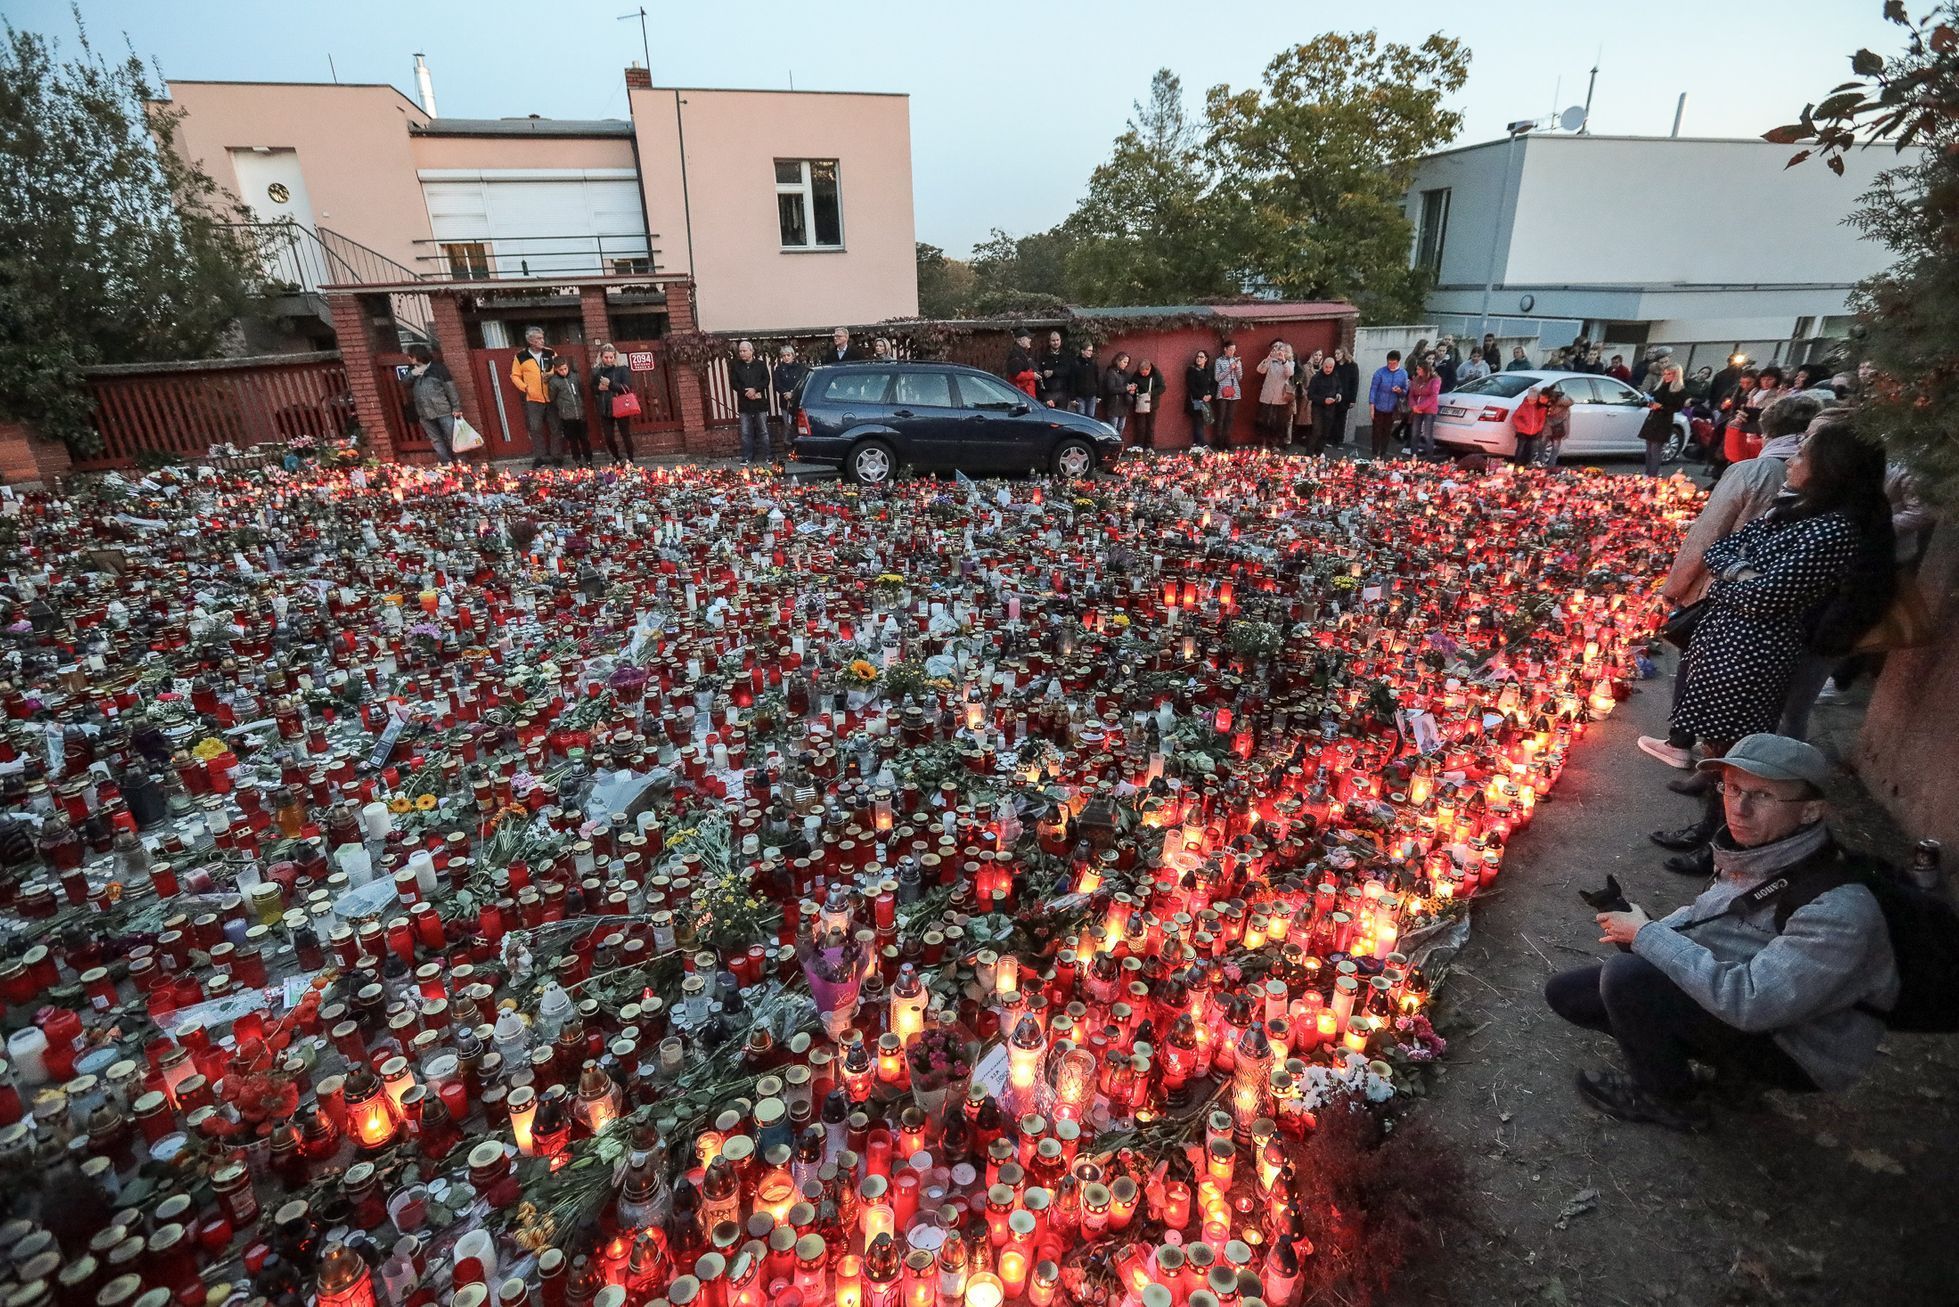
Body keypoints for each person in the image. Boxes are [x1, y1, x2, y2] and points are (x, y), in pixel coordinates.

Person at [1547, 733, 1898, 1130]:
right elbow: (1710, 917)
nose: (1739, 809)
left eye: (1764, 796)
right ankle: (1719, 1065)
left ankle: (1673, 1100)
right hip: (1747, 993)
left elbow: (1752, 1002)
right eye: (1731, 788)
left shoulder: (1838, 910)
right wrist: (1641, 925)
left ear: (1811, 810)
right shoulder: (1757, 853)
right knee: (1569, 995)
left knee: (1628, 981)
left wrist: (1647, 938)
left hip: (1800, 1045)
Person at [1641, 423, 1886, 876]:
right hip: (1725, 640)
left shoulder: (1833, 532)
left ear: (1827, 471)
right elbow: (1724, 548)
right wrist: (1739, 574)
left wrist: (1729, 583)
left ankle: (1725, 846)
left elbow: (1766, 597)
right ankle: (1709, 829)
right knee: (1716, 739)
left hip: (1755, 652)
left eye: (1801, 458)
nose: (1789, 462)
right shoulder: (1791, 510)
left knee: (1738, 751)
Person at [509, 326, 560, 467]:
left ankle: (556, 456)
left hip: (551, 396)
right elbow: (515, 376)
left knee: (555, 427)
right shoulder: (520, 356)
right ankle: (541, 457)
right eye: (538, 338)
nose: (542, 340)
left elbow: (560, 367)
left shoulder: (550, 352)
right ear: (530, 340)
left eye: (542, 337)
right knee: (535, 428)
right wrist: (526, 388)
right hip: (533, 398)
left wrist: (552, 374)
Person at [405, 344, 462, 464]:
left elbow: (450, 388)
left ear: (418, 355)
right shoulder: (412, 370)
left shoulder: (438, 369)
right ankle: (447, 463)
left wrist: (456, 407)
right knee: (435, 439)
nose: (409, 358)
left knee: (453, 437)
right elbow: (404, 383)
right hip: (424, 412)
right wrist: (413, 374)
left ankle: (462, 463)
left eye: (411, 356)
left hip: (443, 410)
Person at [590, 343, 636, 465]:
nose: (609, 360)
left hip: (620, 406)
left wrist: (610, 384)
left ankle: (630, 460)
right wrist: (598, 388)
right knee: (609, 437)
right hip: (605, 408)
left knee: (625, 434)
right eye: (606, 357)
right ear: (601, 357)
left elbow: (627, 388)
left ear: (615, 357)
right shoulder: (597, 371)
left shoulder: (622, 369)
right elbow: (592, 389)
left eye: (611, 357)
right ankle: (617, 458)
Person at [1641, 363, 1689, 477]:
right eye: (1665, 374)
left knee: (1655, 450)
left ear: (1676, 375)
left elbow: (1677, 407)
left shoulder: (1679, 390)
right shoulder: (1661, 386)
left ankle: (1652, 475)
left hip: (1663, 421)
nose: (1666, 376)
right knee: (1648, 450)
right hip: (1653, 419)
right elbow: (1654, 398)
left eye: (1669, 374)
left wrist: (1661, 407)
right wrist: (1650, 403)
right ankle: (1647, 473)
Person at [730, 339, 772, 465]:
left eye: (744, 351)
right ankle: (747, 456)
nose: (742, 353)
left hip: (759, 403)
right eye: (740, 351)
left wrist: (755, 389)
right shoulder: (736, 366)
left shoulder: (760, 364)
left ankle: (768, 455)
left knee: (763, 431)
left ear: (751, 351)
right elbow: (734, 382)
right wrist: (746, 392)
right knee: (745, 432)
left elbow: (766, 380)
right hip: (744, 403)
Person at [545, 357, 592, 466]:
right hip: (567, 416)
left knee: (584, 438)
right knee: (573, 440)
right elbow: (552, 398)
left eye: (565, 368)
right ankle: (577, 460)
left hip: (580, 413)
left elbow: (581, 391)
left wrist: (581, 405)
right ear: (556, 369)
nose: (564, 371)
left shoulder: (575, 377)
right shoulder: (554, 382)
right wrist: (562, 407)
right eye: (560, 370)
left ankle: (589, 459)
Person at [1366, 351, 1408, 459]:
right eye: (1389, 363)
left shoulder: (1403, 373)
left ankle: (1383, 452)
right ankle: (1375, 452)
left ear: (1398, 362)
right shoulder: (1380, 373)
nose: (1391, 365)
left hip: (1392, 407)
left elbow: (1405, 390)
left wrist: (1399, 391)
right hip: (1379, 406)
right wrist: (1372, 406)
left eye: (1393, 363)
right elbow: (1373, 389)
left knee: (1387, 431)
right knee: (1376, 430)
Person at [1255, 341, 1295, 448]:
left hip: (1280, 398)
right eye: (1280, 350)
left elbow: (1290, 373)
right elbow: (1260, 370)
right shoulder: (1271, 361)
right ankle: (1262, 443)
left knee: (1277, 422)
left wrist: (1284, 361)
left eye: (1284, 351)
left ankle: (1274, 444)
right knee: (1264, 420)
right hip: (1267, 396)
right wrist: (1269, 358)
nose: (1282, 352)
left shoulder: (1290, 363)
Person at [771, 344, 807, 462]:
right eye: (784, 356)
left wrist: (794, 393)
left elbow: (803, 383)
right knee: (788, 425)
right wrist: (785, 393)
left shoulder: (800, 367)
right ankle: (788, 448)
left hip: (798, 401)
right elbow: (777, 384)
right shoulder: (779, 369)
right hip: (785, 401)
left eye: (788, 355)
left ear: (793, 356)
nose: (786, 358)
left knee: (799, 426)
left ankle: (800, 450)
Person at [1305, 356, 1342, 456]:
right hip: (1318, 408)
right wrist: (1323, 400)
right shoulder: (1316, 378)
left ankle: (1318, 454)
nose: (1328, 369)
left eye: (1330, 367)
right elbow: (1310, 395)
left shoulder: (1335, 376)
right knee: (1316, 431)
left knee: (1325, 432)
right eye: (1326, 367)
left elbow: (1339, 387)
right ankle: (1308, 454)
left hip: (1330, 408)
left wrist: (1339, 394)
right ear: (1323, 365)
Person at [1407, 360, 1441, 458]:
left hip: (1429, 409)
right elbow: (1411, 395)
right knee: (1415, 432)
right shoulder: (1416, 379)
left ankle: (1429, 456)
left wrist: (1420, 406)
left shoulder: (1435, 380)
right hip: (1417, 409)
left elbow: (1433, 396)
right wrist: (1413, 406)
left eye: (1419, 369)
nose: (1417, 371)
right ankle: (1414, 454)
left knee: (1427, 434)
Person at [1212, 343, 1244, 448]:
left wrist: (1237, 368)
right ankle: (1219, 440)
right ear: (1225, 349)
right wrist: (1229, 368)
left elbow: (1239, 377)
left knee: (1230, 417)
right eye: (1230, 349)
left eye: (1234, 350)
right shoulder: (1219, 361)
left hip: (1234, 391)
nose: (1232, 352)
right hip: (1223, 391)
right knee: (1221, 416)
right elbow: (1217, 377)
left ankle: (1228, 440)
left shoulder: (1236, 361)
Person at [1510, 384, 1549, 466]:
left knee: (1531, 449)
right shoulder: (1524, 406)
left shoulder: (1541, 408)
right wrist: (1521, 426)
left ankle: (1527, 463)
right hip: (1523, 432)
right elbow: (1515, 417)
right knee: (1520, 448)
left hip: (1534, 432)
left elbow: (1542, 418)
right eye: (1530, 400)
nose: (1531, 402)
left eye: (1534, 400)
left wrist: (1539, 427)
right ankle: (1517, 463)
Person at [1129, 360, 1164, 449]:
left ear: (1149, 369)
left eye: (1145, 373)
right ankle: (1139, 444)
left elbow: (1162, 387)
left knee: (1150, 426)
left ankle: (1149, 446)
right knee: (1140, 425)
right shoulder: (1136, 375)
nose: (1143, 374)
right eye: (1141, 372)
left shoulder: (1156, 374)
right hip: (1140, 403)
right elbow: (1132, 383)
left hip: (1152, 403)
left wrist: (1151, 393)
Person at [1102, 352, 1135, 442]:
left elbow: (1127, 385)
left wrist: (1131, 389)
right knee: (1113, 428)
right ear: (1118, 361)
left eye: (1127, 362)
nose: (1126, 364)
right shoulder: (1111, 373)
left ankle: (1118, 447)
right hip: (1114, 404)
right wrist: (1126, 388)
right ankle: (1112, 448)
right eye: (1124, 362)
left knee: (1121, 427)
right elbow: (1111, 389)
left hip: (1123, 404)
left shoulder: (1125, 374)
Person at [1539, 383, 1574, 467]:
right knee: (1542, 445)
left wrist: (1558, 399)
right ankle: (1540, 464)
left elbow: (1571, 401)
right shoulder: (1545, 404)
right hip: (1548, 426)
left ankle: (1551, 466)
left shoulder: (1560, 400)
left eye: (1543, 398)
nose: (1541, 399)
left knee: (1555, 447)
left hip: (1559, 426)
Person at [1185, 350, 1214, 448]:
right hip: (1196, 401)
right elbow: (1191, 386)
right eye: (1197, 356)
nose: (1198, 358)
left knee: (1202, 420)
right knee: (1198, 420)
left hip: (1205, 400)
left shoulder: (1208, 371)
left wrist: (1210, 395)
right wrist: (1202, 396)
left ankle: (1199, 443)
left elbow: (1212, 384)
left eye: (1201, 357)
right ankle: (1200, 443)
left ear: (1206, 359)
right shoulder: (1192, 370)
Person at [1332, 347, 1359, 446]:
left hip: (1346, 396)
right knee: (1333, 417)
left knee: (1341, 419)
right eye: (1335, 354)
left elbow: (1355, 383)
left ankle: (1339, 440)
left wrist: (1353, 399)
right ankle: (1331, 439)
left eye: (1338, 354)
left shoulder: (1352, 366)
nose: (1336, 356)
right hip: (1334, 394)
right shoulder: (1335, 366)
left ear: (1343, 354)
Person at [1067, 341, 1100, 418]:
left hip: (1092, 395)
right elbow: (1072, 380)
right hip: (1080, 396)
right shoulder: (1075, 363)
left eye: (1091, 350)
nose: (1090, 352)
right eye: (1089, 350)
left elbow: (1097, 378)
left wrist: (1098, 395)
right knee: (1081, 418)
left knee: (1091, 418)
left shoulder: (1093, 362)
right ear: (1082, 351)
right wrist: (1072, 397)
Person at [1037, 331, 1069, 408]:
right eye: (1053, 340)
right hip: (1049, 393)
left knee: (1063, 418)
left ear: (1061, 340)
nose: (1056, 342)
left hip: (1062, 393)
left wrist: (1053, 372)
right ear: (1049, 342)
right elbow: (1039, 373)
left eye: (1057, 340)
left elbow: (1067, 371)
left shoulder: (1066, 355)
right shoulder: (1043, 356)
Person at [1005, 329, 1039, 397]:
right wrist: (1032, 375)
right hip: (1022, 394)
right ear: (1020, 341)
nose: (1030, 340)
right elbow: (1017, 375)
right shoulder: (1015, 355)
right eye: (1028, 338)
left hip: (1027, 393)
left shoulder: (1024, 353)